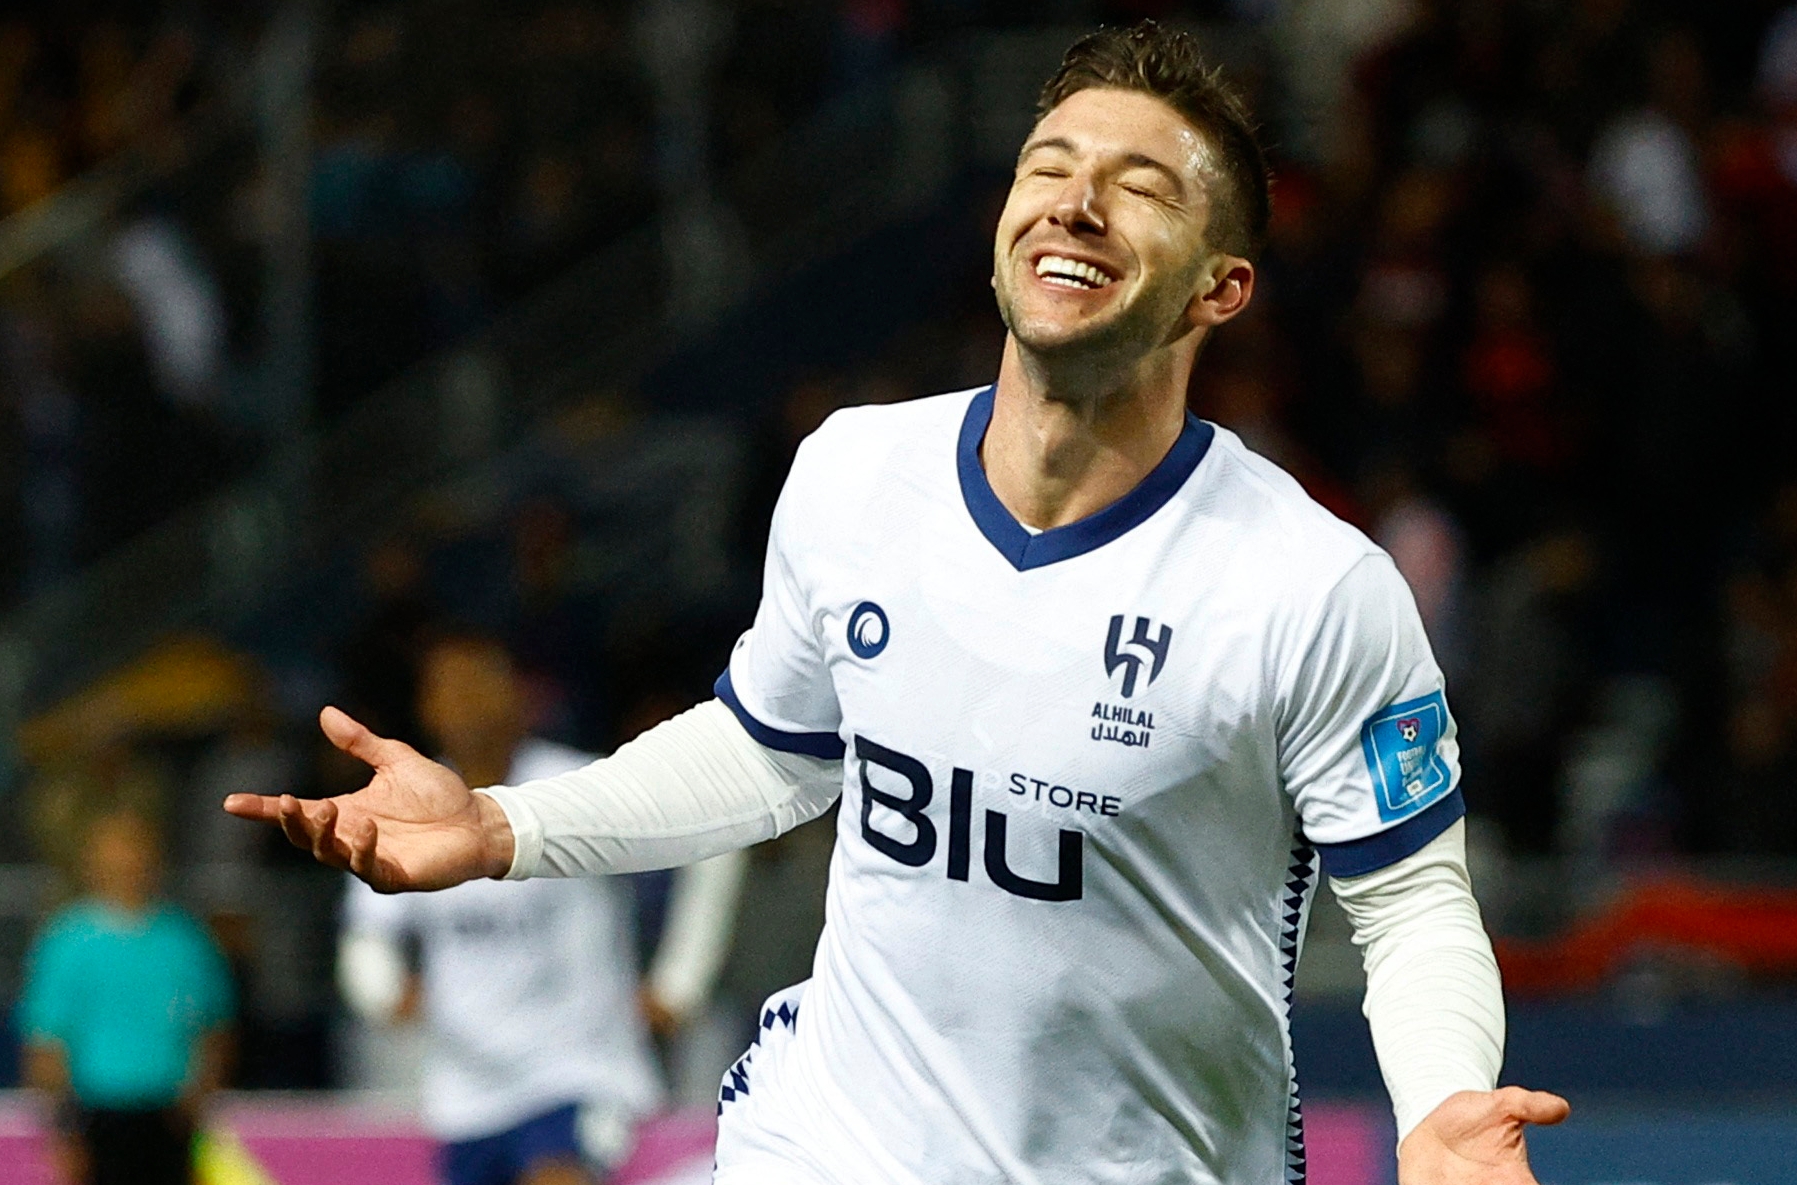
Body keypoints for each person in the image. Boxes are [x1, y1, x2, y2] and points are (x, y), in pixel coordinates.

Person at [229, 23, 1568, 1184]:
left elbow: (1407, 906)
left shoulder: (1311, 588)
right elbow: (767, 752)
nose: (1075, 200)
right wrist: (502, 824)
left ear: (1220, 287)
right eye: (1048, 167)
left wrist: (1445, 1101)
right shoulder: (853, 474)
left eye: (1139, 186)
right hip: (835, 1138)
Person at [336, 631, 746, 1185]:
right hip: (466, 1093)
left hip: (579, 1076)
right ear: (425, 708)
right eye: (448, 690)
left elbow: (711, 841)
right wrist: (381, 988)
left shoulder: (574, 784)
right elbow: (368, 930)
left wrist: (680, 982)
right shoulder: (408, 805)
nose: (466, 704)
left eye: (479, 686)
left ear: (517, 698)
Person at [20, 810, 235, 1185]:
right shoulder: (67, 941)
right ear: (92, 861)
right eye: (117, 850)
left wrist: (194, 1109)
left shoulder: (186, 940)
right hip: (96, 1115)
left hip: (168, 1115)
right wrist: (63, 1129)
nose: (129, 862)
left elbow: (214, 1030)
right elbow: (46, 1043)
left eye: (138, 849)